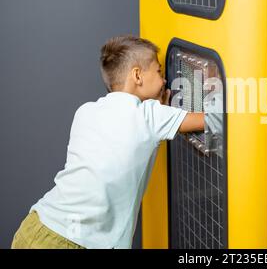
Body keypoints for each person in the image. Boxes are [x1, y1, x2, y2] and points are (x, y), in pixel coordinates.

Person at [10, 36, 205, 249]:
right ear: (137, 75)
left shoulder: (85, 111)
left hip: (36, 227)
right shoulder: (149, 115)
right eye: (158, 71)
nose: (164, 81)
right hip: (71, 243)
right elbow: (213, 119)